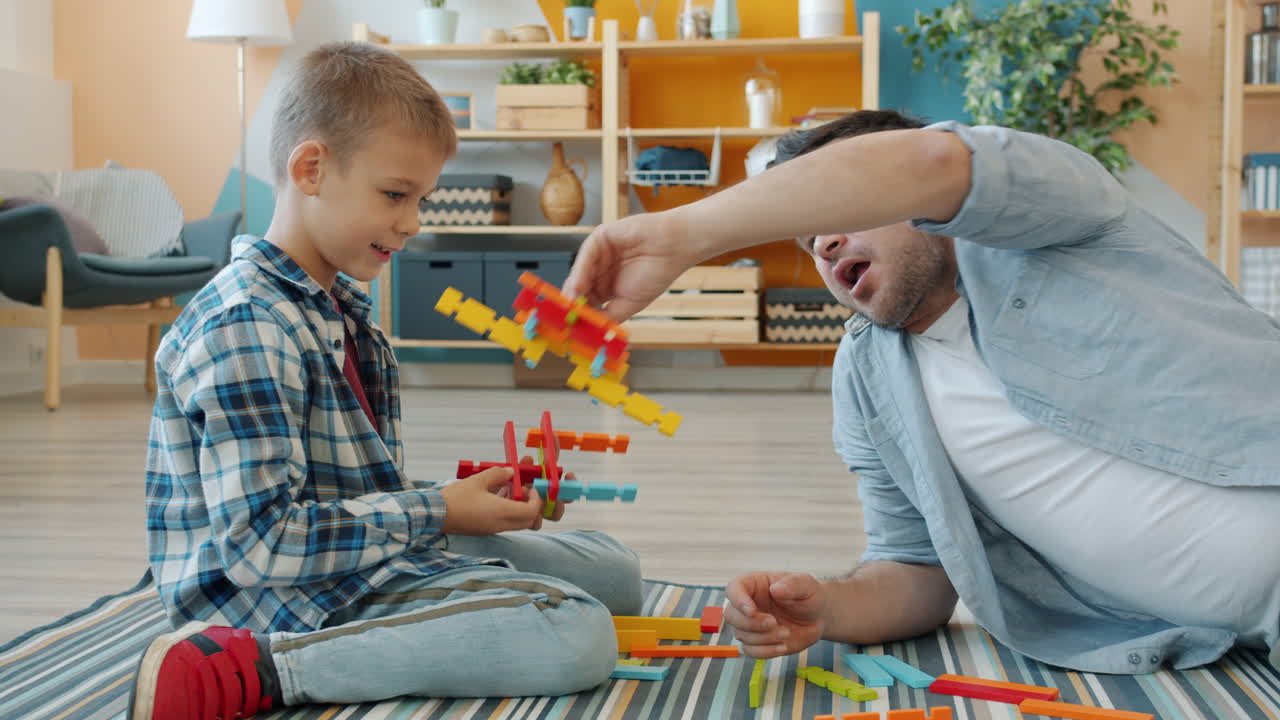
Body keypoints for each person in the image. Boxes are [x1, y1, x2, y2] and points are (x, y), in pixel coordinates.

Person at [563, 109, 1280, 674]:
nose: (823, 245)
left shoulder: (1065, 221)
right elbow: (917, 572)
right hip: (1209, 640)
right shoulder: (870, 376)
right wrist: (827, 608)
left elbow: (932, 162)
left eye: (839, 212)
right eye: (808, 240)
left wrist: (684, 232)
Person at [128, 42, 641, 720]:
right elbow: (262, 545)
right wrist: (439, 512)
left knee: (615, 573)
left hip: (339, 557)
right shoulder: (247, 327)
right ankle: (260, 670)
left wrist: (455, 498)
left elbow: (346, 494)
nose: (412, 222)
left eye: (420, 198)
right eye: (395, 195)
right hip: (269, 598)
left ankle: (438, 596)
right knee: (576, 631)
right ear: (311, 168)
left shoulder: (338, 308)